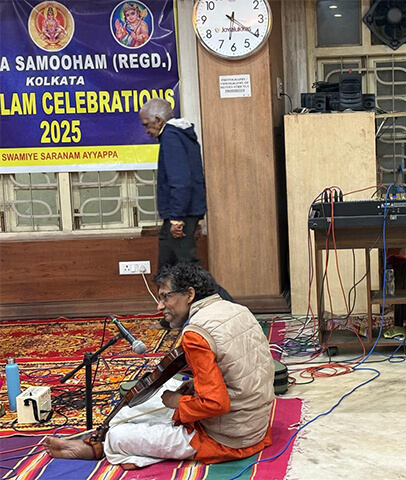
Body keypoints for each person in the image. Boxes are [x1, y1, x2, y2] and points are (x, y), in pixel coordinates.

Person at [45, 262, 275, 468]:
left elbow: (216, 404)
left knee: (120, 434)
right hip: (256, 424)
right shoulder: (236, 309)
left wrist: (176, 401)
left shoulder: (196, 333)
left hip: (228, 439)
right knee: (141, 403)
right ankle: (115, 444)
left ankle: (101, 447)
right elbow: (239, 370)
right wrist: (195, 386)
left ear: (190, 294)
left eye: (165, 297)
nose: (159, 306)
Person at [139, 98, 207, 272]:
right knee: (170, 270)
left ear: (158, 120)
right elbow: (196, 176)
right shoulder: (184, 135)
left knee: (185, 270)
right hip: (189, 211)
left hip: (180, 215)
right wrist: (199, 216)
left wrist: (176, 218)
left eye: (147, 125)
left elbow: (180, 180)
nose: (147, 131)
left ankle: (211, 293)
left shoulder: (170, 137)